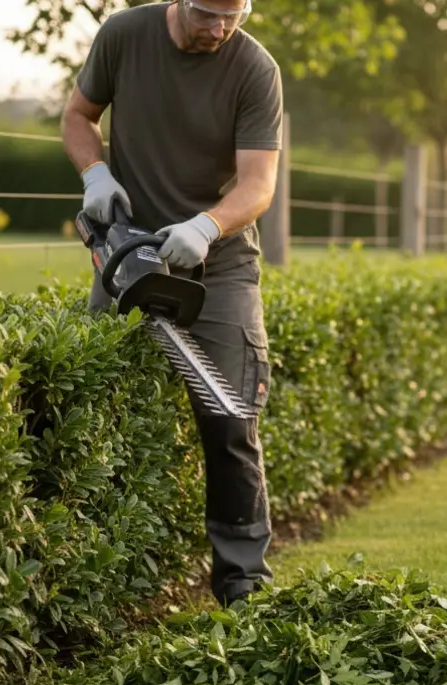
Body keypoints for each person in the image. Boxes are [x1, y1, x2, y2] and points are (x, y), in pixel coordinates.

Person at [59, 0, 283, 607]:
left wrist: (208, 227)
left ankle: (244, 588)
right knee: (90, 406)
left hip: (219, 263)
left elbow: (258, 184)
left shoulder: (253, 67)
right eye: (210, 14)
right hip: (131, 256)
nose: (221, 29)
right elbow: (79, 116)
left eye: (234, 16)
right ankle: (93, 586)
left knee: (230, 413)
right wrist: (95, 175)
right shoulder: (124, 35)